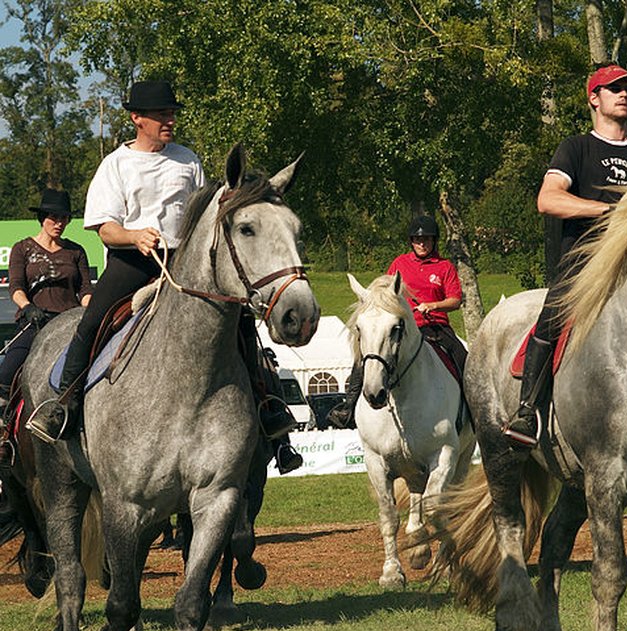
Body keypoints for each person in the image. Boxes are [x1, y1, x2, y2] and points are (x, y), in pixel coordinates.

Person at [28, 80, 302, 473]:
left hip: (183, 264)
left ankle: (269, 411)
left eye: (171, 113)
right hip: (133, 261)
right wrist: (134, 235)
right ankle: (63, 403)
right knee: (93, 320)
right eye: (161, 114)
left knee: (242, 325)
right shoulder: (116, 165)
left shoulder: (187, 160)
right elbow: (105, 229)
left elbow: (202, 218)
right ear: (137, 118)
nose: (169, 120)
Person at [504, 64, 627, 448]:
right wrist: (606, 210)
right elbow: (548, 199)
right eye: (614, 88)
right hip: (584, 265)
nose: (624, 94)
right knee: (553, 312)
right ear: (594, 98)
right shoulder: (576, 148)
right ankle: (527, 411)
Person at [328, 213, 466, 429]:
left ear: (434, 241)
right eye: (417, 240)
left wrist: (433, 305)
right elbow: (385, 293)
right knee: (367, 356)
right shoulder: (400, 263)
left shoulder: (444, 267)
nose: (422, 243)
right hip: (399, 329)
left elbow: (455, 300)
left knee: (463, 359)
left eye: (427, 239)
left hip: (435, 327)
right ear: (411, 241)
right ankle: (348, 407)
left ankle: (473, 413)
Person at [0, 189, 92, 410]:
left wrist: (88, 313)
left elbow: (85, 289)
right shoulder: (22, 248)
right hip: (35, 321)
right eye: (54, 217)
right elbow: (16, 287)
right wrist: (28, 307)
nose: (59, 223)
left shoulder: (76, 251)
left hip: (70, 323)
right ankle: (4, 428)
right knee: (6, 371)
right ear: (42, 219)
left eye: (64, 218)